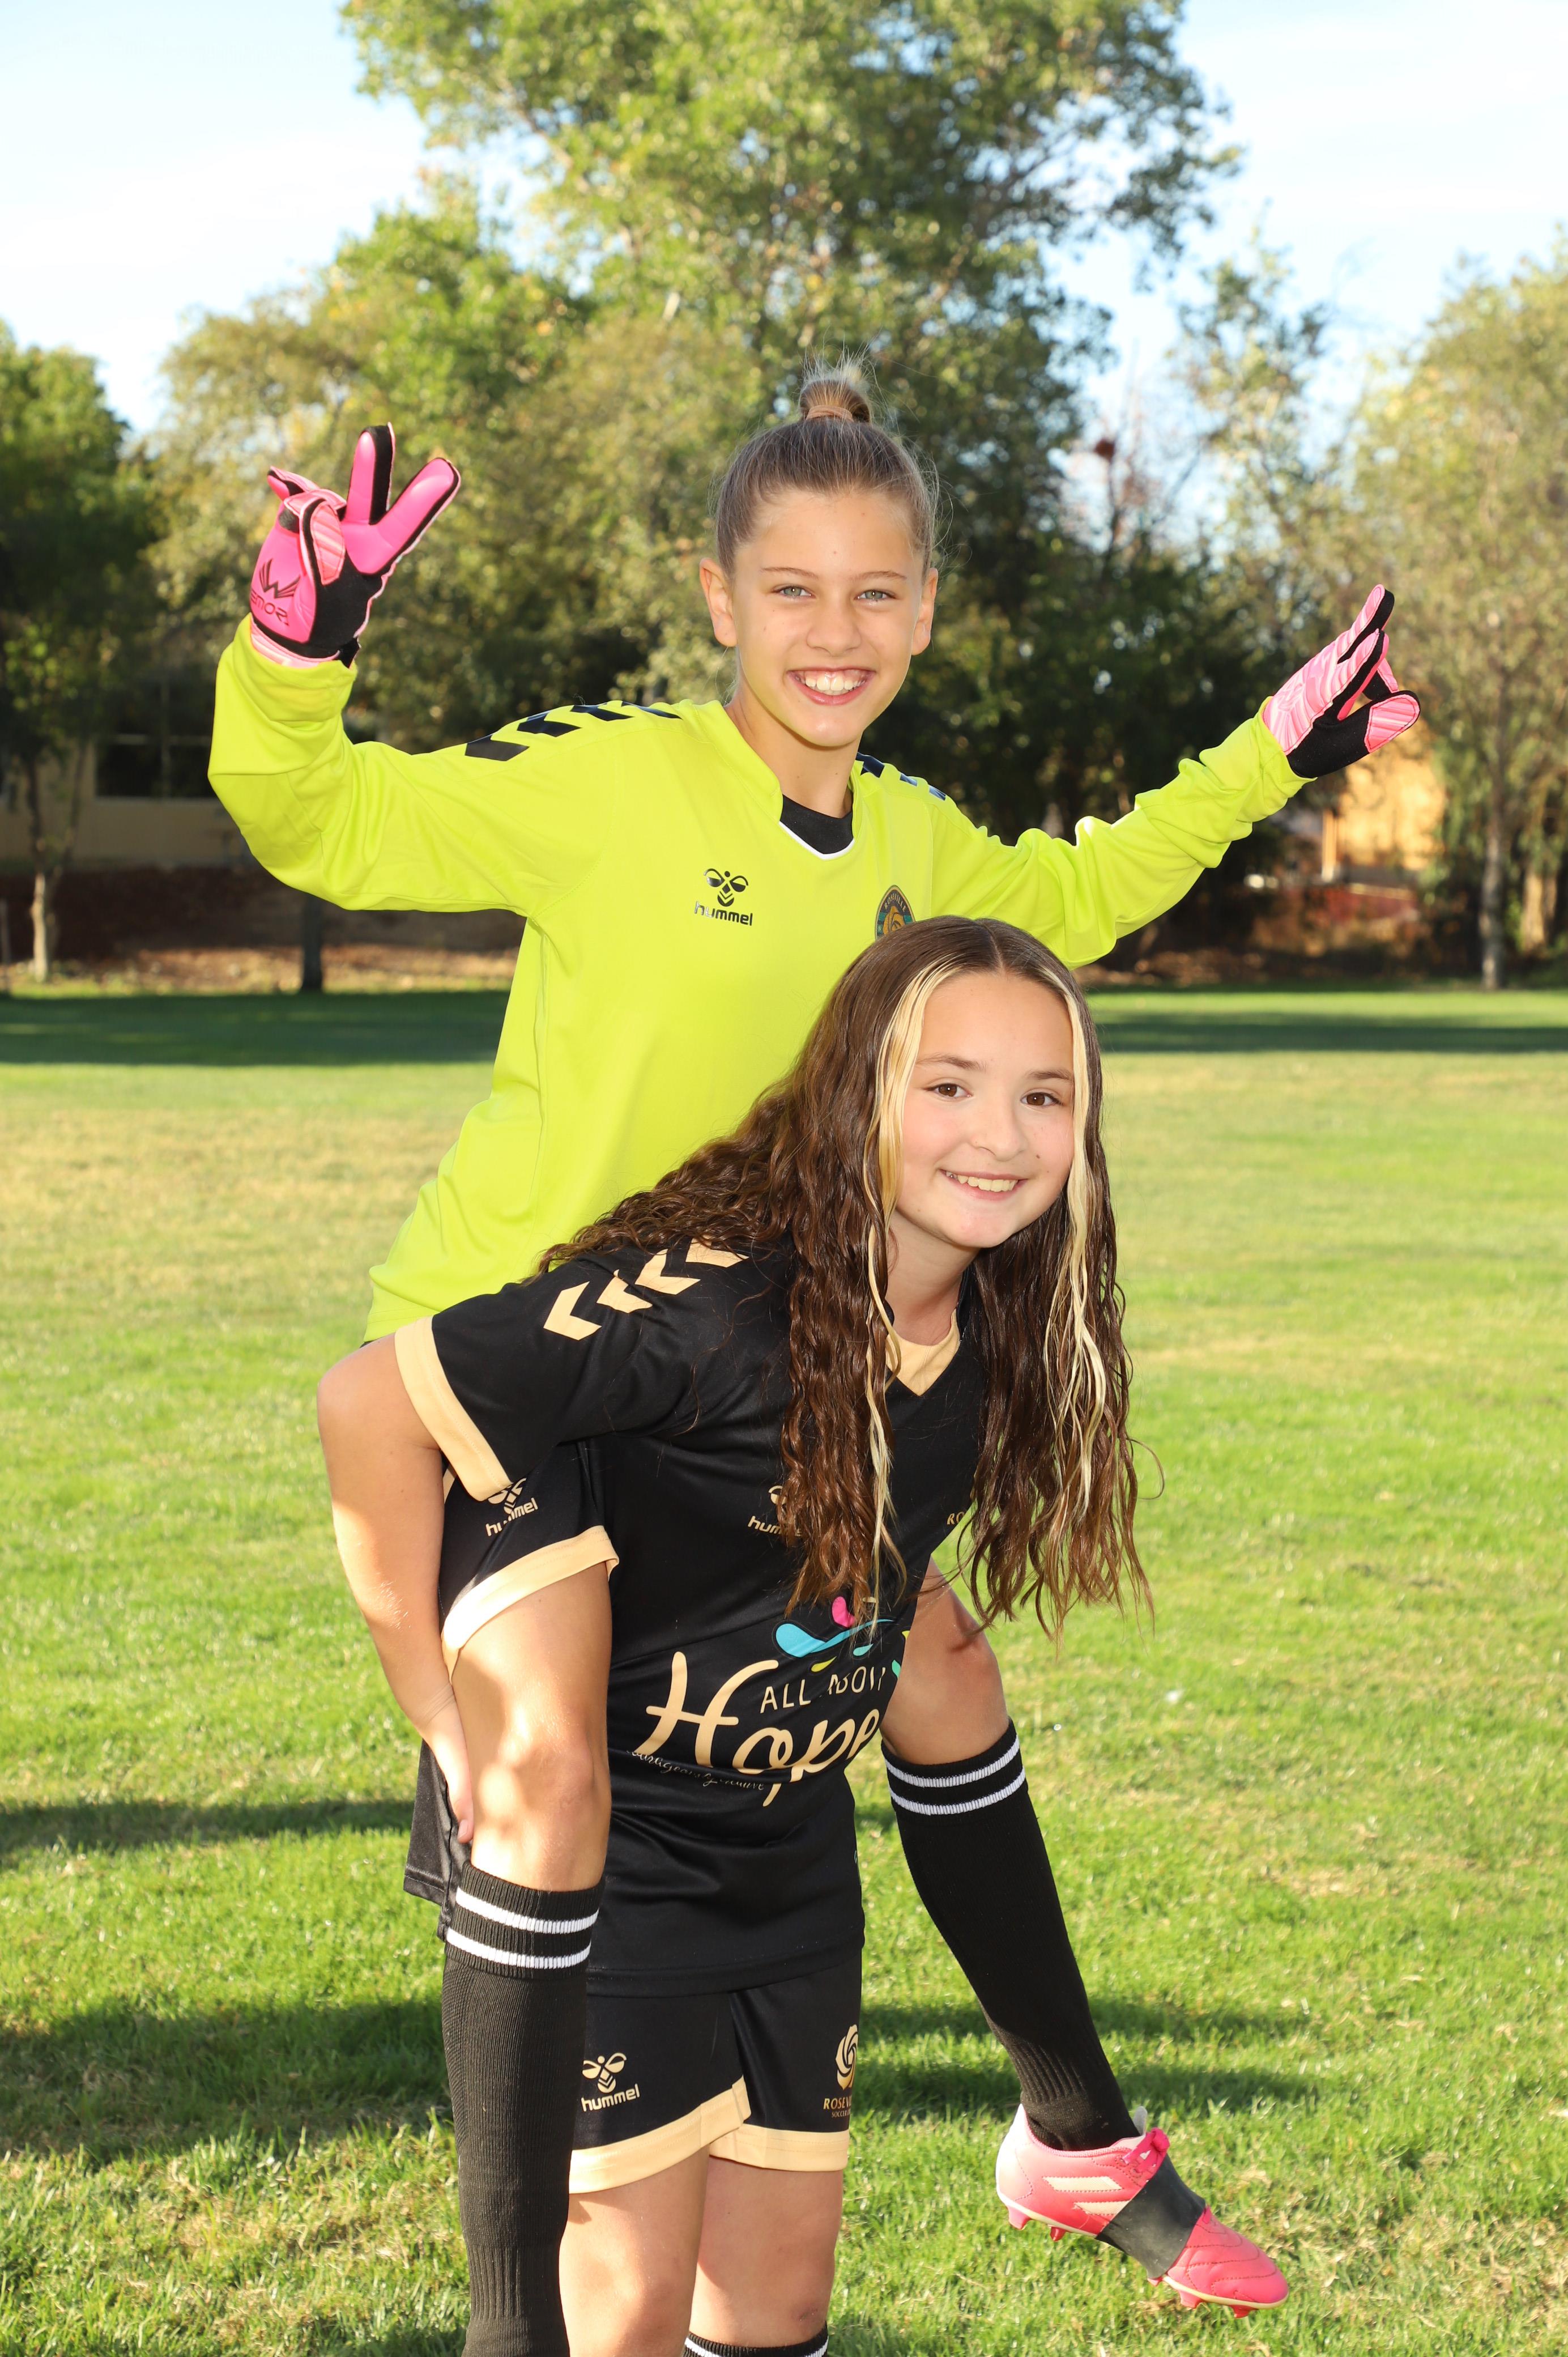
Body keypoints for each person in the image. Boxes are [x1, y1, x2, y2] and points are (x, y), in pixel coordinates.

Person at [211, 364, 1414, 2349]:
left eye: (873, 594)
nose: (831, 632)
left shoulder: (917, 842)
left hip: (766, 1376)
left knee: (938, 1672)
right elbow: (322, 820)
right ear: (717, 598)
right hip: (535, 1376)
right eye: (790, 590)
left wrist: (1271, 748)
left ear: (923, 611)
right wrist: (293, 653)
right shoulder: (613, 781)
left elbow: (1079, 899)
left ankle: (1072, 2131)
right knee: (549, 1777)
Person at [318, 917, 1289, 2356]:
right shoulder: (708, 1307)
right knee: (622, 2309)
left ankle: (1073, 2133)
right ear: (855, 1090)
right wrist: (438, 1715)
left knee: (776, 2308)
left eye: (1045, 1095)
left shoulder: (994, 1328)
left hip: (778, 1842)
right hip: (611, 1856)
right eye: (948, 1086)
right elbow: (368, 1403)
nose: (1001, 1135)